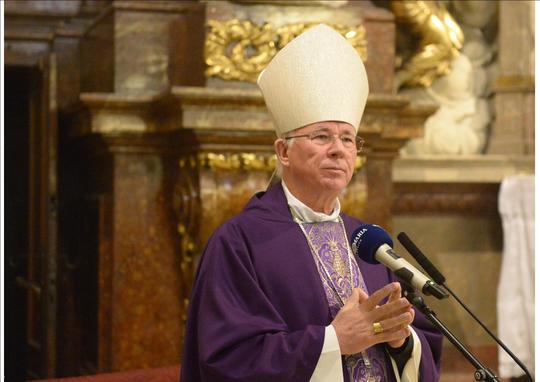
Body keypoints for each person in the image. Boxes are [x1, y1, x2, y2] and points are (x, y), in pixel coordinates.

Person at [180, 24, 443, 382]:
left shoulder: (369, 242)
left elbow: (423, 339)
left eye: (348, 139)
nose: (339, 149)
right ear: (283, 151)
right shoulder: (239, 243)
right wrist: (333, 341)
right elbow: (228, 361)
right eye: (322, 136)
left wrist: (401, 340)